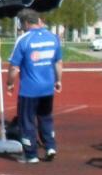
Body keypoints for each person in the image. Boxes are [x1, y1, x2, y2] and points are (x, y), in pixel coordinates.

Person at [6, 9, 63, 163]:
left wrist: (10, 83)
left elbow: (14, 67)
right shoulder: (53, 38)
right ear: (38, 20)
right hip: (47, 87)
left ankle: (31, 155)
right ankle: (50, 146)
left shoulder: (23, 40)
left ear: (25, 23)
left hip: (29, 90)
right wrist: (58, 80)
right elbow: (58, 62)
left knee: (27, 122)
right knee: (46, 118)